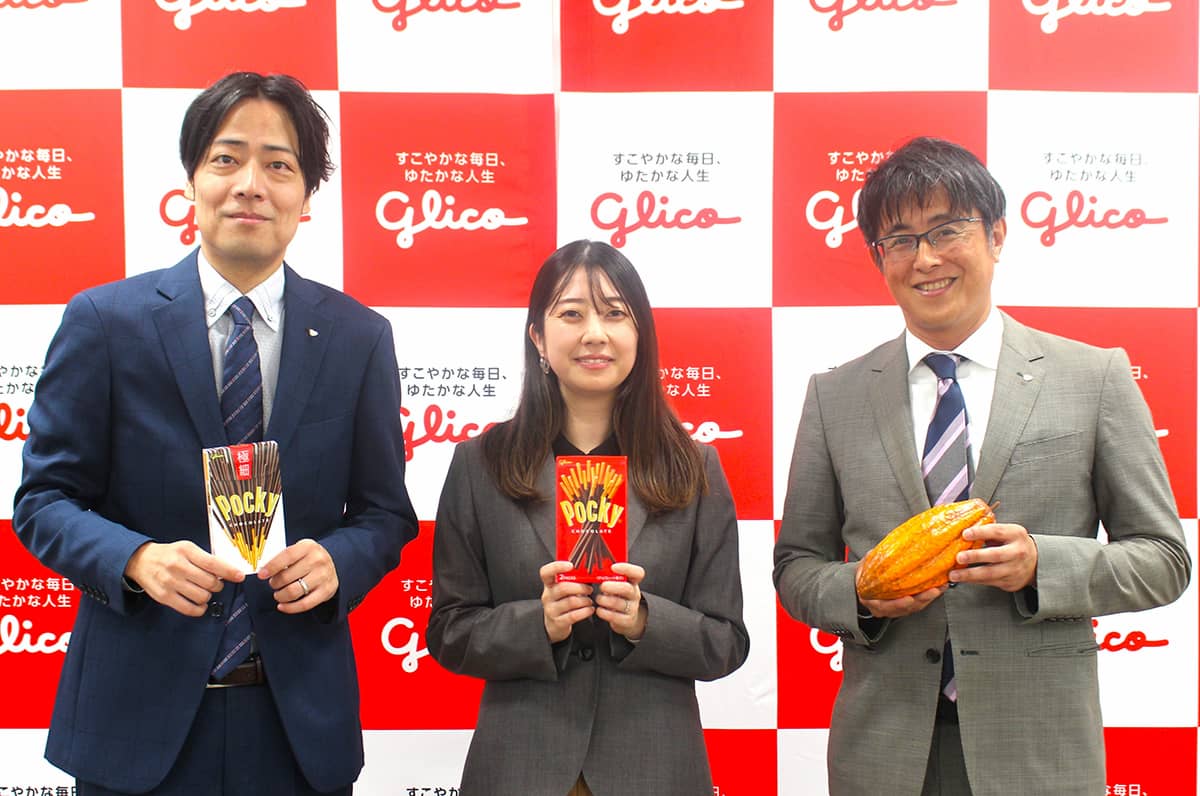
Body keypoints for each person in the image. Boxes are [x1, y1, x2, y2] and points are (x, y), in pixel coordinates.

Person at [12, 72, 418, 796]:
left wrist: (338, 560)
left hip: (297, 726)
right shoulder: (105, 322)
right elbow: (43, 499)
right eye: (226, 159)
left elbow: (386, 513)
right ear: (192, 180)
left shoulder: (358, 337)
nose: (250, 185)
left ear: (306, 196)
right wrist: (136, 559)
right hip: (135, 723)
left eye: (279, 165)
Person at [773, 136, 1190, 795]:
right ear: (879, 258)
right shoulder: (836, 396)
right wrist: (861, 593)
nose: (926, 258)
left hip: (1039, 753)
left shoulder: (1094, 378)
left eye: (947, 230)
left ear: (996, 235)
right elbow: (796, 565)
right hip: (883, 755)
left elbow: (1164, 560)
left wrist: (1041, 565)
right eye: (900, 240)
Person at [426, 239, 749, 796]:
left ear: (640, 334)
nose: (595, 333)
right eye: (572, 314)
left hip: (656, 768)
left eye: (615, 314)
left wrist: (645, 620)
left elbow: (726, 641)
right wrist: (539, 624)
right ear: (538, 336)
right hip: (520, 766)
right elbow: (449, 631)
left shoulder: (694, 467)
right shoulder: (480, 464)